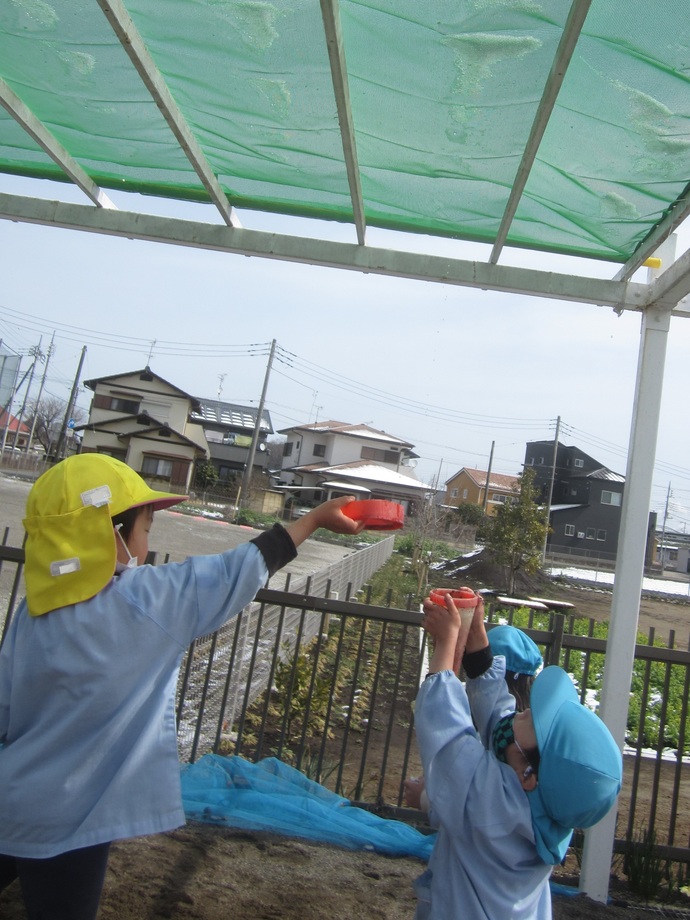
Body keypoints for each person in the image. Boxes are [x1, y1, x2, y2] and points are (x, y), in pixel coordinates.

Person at [0, 454, 364, 920]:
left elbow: (6, 710)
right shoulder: (142, 600)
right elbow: (237, 570)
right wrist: (313, 519)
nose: (148, 545)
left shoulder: (31, 615)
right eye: (145, 529)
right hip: (72, 817)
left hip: (15, 792)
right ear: (107, 532)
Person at [412, 589, 622, 919]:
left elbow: (449, 737)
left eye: (529, 717)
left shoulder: (494, 808)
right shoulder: (538, 809)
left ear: (528, 774)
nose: (519, 712)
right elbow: (500, 718)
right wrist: (478, 640)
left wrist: (446, 643)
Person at [403, 619, 543, 811]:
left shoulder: (510, 740)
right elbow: (493, 704)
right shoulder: (525, 736)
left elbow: (447, 735)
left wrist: (424, 797)